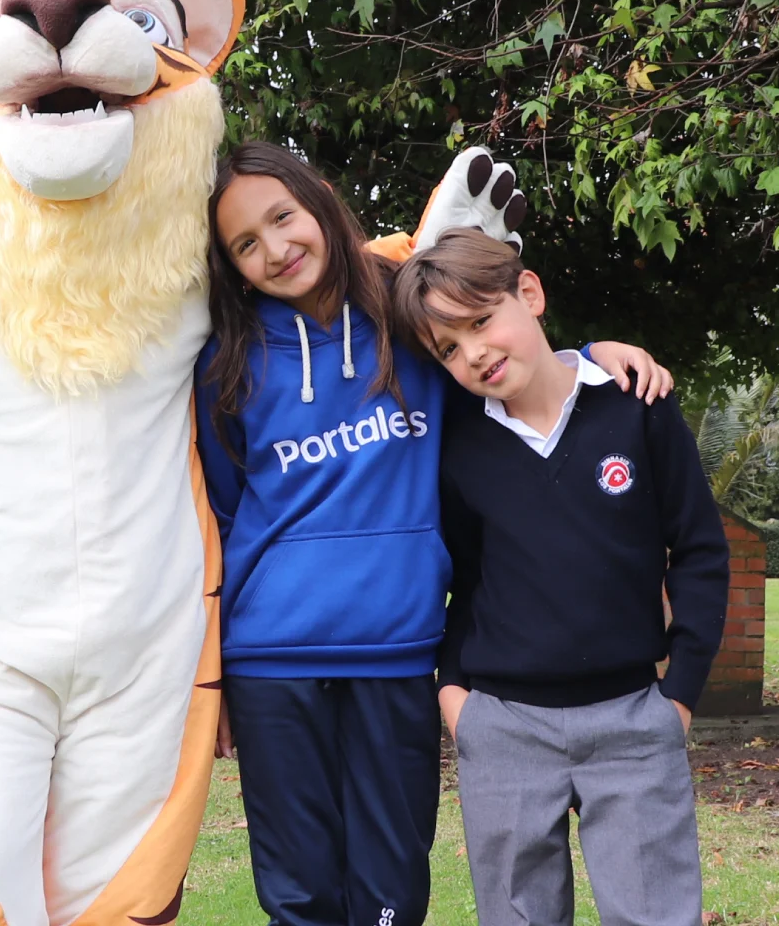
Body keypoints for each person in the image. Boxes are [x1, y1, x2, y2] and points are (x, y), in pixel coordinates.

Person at [195, 143, 671, 926]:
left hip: (397, 653)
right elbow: (217, 517)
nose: (275, 249)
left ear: (318, 200)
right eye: (245, 243)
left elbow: (497, 359)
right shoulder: (226, 361)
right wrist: (209, 672)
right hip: (271, 663)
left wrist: (584, 358)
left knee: (392, 894)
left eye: (282, 217)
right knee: (299, 892)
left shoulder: (407, 320)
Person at [390, 230, 729, 926]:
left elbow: (698, 549)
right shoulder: (458, 445)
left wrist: (681, 697)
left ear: (530, 294)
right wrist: (456, 693)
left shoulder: (638, 405)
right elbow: (465, 576)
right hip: (504, 725)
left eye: (480, 321)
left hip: (635, 718)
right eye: (448, 348)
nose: (474, 352)